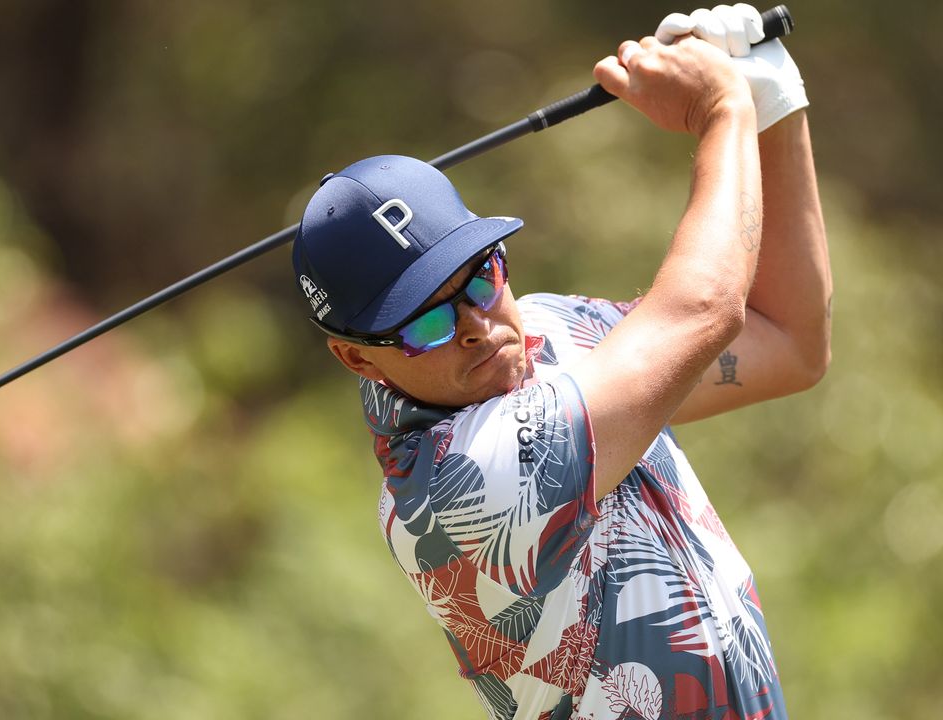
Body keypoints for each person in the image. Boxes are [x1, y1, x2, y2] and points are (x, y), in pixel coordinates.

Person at [291, 4, 829, 719]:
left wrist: (773, 103)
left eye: (481, 275)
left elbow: (790, 343)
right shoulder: (452, 489)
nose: (478, 326)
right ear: (357, 358)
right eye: (424, 319)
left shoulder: (550, 332)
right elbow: (703, 312)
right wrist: (721, 110)